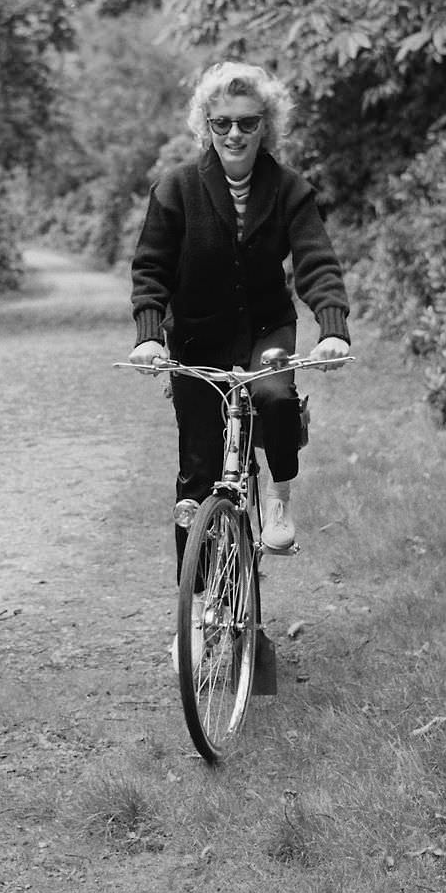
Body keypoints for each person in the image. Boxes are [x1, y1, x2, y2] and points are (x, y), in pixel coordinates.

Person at [127, 61, 351, 666]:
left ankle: (278, 493)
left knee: (276, 398)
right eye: (221, 121)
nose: (234, 133)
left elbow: (316, 263)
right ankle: (196, 616)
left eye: (248, 122)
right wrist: (151, 336)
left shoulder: (289, 189)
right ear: (206, 124)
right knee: (196, 481)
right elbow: (150, 269)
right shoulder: (176, 188)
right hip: (197, 340)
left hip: (263, 331)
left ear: (266, 125)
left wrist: (332, 328)